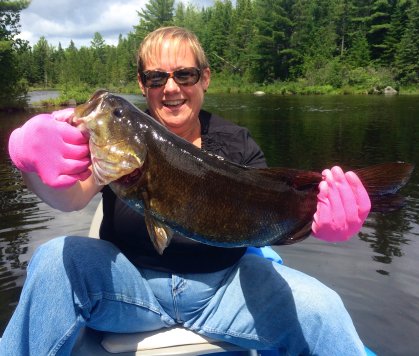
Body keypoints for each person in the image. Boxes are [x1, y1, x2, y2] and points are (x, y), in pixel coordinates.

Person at [3, 26, 371, 355]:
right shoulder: (121, 138)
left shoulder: (237, 145)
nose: (172, 87)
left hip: (226, 292)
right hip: (130, 292)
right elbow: (69, 198)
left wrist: (316, 220)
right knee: (53, 258)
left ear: (205, 78)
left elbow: (266, 218)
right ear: (142, 83)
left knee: (322, 309)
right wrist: (30, 166)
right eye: (156, 77)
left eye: (185, 74)